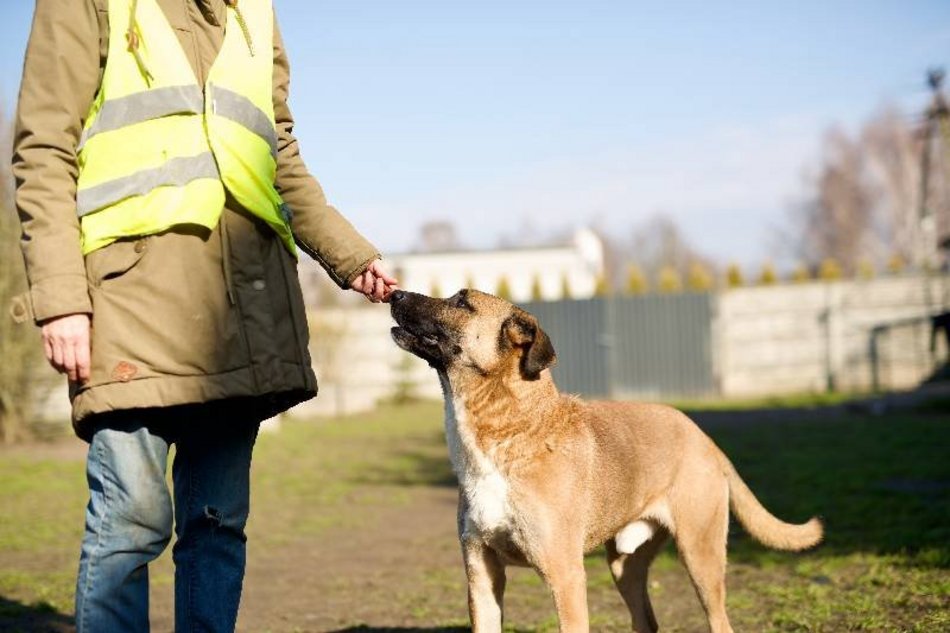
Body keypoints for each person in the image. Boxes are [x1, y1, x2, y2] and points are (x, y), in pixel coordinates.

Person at [12, 0, 398, 631]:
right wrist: (61, 300)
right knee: (130, 522)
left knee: (217, 528)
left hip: (239, 319)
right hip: (130, 308)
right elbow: (43, 148)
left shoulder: (254, 11)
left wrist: (348, 254)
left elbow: (280, 156)